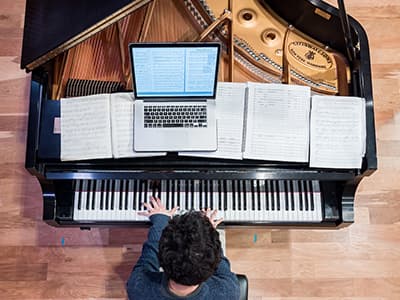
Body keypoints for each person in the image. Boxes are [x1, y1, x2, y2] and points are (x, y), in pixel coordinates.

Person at [126, 197, 240, 299]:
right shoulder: (228, 292)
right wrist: (207, 232)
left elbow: (149, 255)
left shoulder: (137, 287)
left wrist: (160, 220)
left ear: (160, 259)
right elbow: (222, 265)